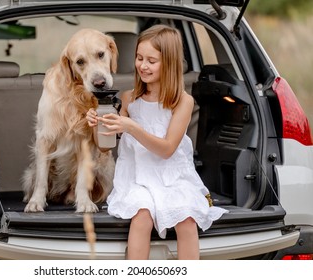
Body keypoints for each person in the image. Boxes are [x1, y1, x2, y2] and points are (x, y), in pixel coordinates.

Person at [86, 24, 228, 260]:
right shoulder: (128, 98)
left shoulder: (183, 102)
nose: (143, 65)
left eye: (151, 61)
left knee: (186, 219)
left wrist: (131, 126)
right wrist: (97, 126)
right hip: (137, 176)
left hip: (173, 176)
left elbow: (167, 149)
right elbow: (104, 146)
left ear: (169, 63)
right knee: (142, 215)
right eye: (139, 58)